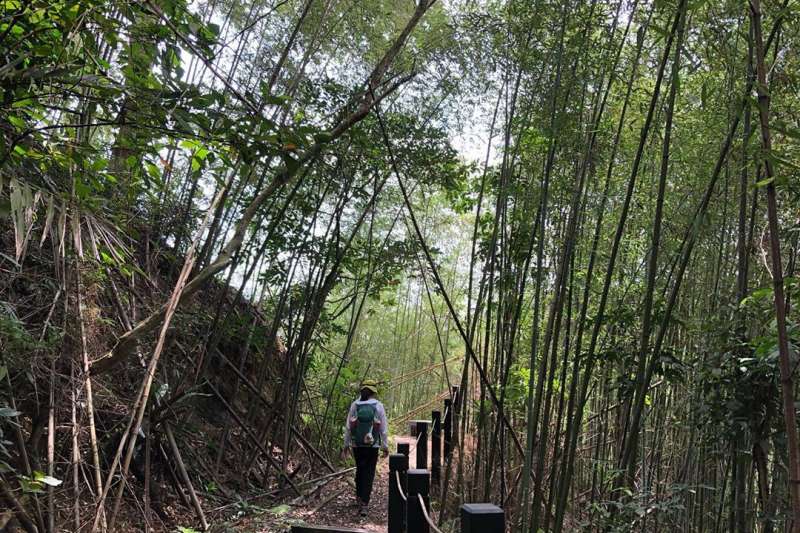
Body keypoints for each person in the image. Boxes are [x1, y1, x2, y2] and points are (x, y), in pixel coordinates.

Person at [343, 379, 389, 517]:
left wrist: (345, 445)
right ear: (373, 392)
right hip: (372, 445)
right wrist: (385, 446)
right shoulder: (378, 406)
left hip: (357, 445)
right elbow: (383, 429)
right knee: (369, 473)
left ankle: (359, 497)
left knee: (360, 470)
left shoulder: (355, 405)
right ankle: (364, 503)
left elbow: (348, 427)